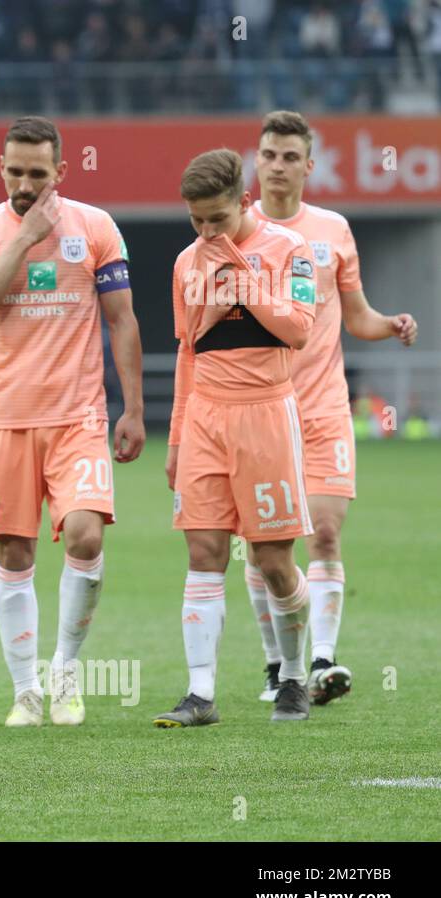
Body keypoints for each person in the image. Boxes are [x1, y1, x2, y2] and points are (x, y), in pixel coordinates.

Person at [0, 115, 145, 727]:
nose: (25, 183)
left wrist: (134, 409)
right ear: (1, 167)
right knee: (14, 552)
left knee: (87, 535)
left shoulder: (95, 227)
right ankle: (25, 692)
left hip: (77, 418)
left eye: (38, 173)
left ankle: (64, 672)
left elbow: (121, 320)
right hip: (6, 420)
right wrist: (24, 235)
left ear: (60, 171)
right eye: (15, 171)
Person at [245, 111, 417, 705]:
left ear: (308, 166)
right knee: (266, 546)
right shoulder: (238, 231)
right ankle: (275, 666)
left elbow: (356, 314)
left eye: (291, 156)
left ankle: (321, 661)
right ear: (256, 159)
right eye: (269, 154)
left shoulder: (333, 230)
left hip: (323, 409)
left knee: (323, 531)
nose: (278, 165)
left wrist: (388, 324)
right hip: (261, 413)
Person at [156, 148, 316, 727]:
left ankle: (295, 677)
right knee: (203, 551)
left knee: (274, 560)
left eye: (216, 220)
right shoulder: (185, 263)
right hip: (205, 418)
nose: (205, 232)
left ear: (244, 202)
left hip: (266, 416)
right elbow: (187, 353)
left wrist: (243, 286)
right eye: (196, 221)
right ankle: (201, 694)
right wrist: (175, 439)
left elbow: (299, 329)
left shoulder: (287, 249)